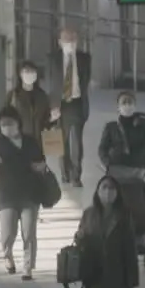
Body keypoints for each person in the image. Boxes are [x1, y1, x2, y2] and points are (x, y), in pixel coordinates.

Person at [74, 175, 139, 288]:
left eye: (111, 188)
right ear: (98, 190)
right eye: (104, 187)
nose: (108, 192)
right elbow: (81, 238)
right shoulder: (89, 214)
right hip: (93, 273)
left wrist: (131, 276)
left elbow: (129, 247)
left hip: (116, 272)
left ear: (117, 193)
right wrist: (79, 237)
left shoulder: (123, 216)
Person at [0, 106, 49, 280]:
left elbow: (42, 162)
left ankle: (28, 268)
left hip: (30, 194)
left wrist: (39, 167)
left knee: (29, 232)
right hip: (7, 195)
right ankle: (8, 255)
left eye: (10, 123)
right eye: (3, 124)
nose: (7, 127)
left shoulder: (30, 142)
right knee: (8, 233)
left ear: (18, 123)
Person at [99, 91, 145, 253]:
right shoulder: (111, 128)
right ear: (118, 107)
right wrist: (108, 163)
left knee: (139, 204)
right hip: (116, 172)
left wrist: (137, 162)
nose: (127, 105)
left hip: (137, 174)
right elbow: (102, 149)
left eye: (130, 102)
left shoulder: (143, 126)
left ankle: (140, 237)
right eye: (124, 102)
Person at [47, 27, 91, 187]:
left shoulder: (85, 58)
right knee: (61, 141)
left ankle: (76, 175)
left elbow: (85, 82)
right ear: (60, 42)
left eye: (72, 40)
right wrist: (52, 107)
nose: (70, 43)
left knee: (77, 142)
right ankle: (65, 173)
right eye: (66, 40)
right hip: (60, 105)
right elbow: (51, 84)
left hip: (77, 103)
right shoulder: (52, 58)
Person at [5, 60, 53, 148]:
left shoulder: (42, 96)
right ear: (20, 74)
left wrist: (52, 118)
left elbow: (46, 121)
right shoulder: (13, 95)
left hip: (37, 142)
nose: (29, 74)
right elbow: (4, 117)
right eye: (26, 72)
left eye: (32, 72)